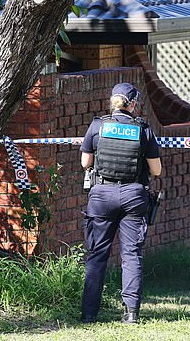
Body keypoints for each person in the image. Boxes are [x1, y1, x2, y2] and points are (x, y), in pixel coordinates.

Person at [79, 82, 162, 324]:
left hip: (101, 195)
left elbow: (85, 162)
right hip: (133, 196)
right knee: (131, 255)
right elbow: (155, 169)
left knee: (97, 255)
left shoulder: (97, 125)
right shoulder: (142, 129)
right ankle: (131, 314)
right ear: (134, 104)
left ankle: (88, 313)